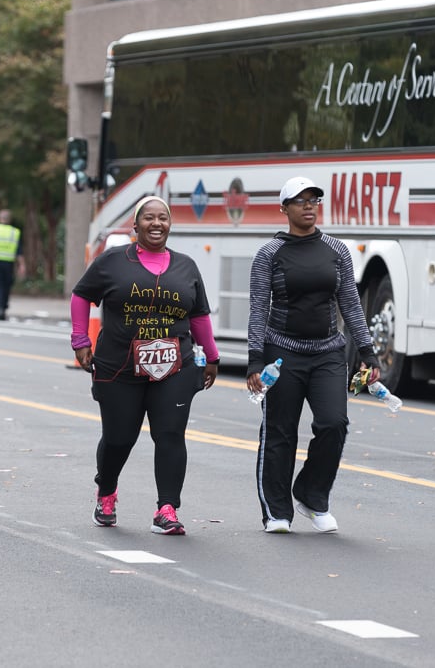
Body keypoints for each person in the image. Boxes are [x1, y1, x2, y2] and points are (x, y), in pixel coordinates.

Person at [71, 195, 220, 535]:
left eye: (163, 218)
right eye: (149, 218)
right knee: (120, 437)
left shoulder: (186, 266)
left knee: (170, 434)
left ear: (170, 225)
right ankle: (106, 491)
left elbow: (198, 314)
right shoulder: (112, 261)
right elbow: (81, 295)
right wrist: (80, 341)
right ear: (135, 225)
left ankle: (167, 508)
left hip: (174, 365)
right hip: (119, 365)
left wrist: (211, 356)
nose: (157, 223)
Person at [247, 176, 380, 535]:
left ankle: (312, 496)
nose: (308, 206)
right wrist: (255, 359)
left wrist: (367, 350)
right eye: (300, 200)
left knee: (334, 424)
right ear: (284, 208)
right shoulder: (269, 255)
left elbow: (350, 303)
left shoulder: (337, 250)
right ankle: (277, 512)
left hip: (328, 353)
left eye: (314, 200)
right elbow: (259, 308)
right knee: (280, 433)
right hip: (281, 354)